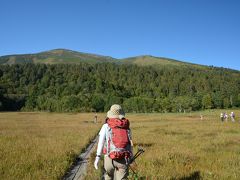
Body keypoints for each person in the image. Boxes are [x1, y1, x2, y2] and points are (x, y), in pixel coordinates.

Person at [94, 104, 133, 180]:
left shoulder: (106, 126)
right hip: (123, 158)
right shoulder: (126, 126)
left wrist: (98, 157)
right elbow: (130, 143)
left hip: (109, 158)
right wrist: (131, 157)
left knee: (108, 176)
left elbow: (101, 142)